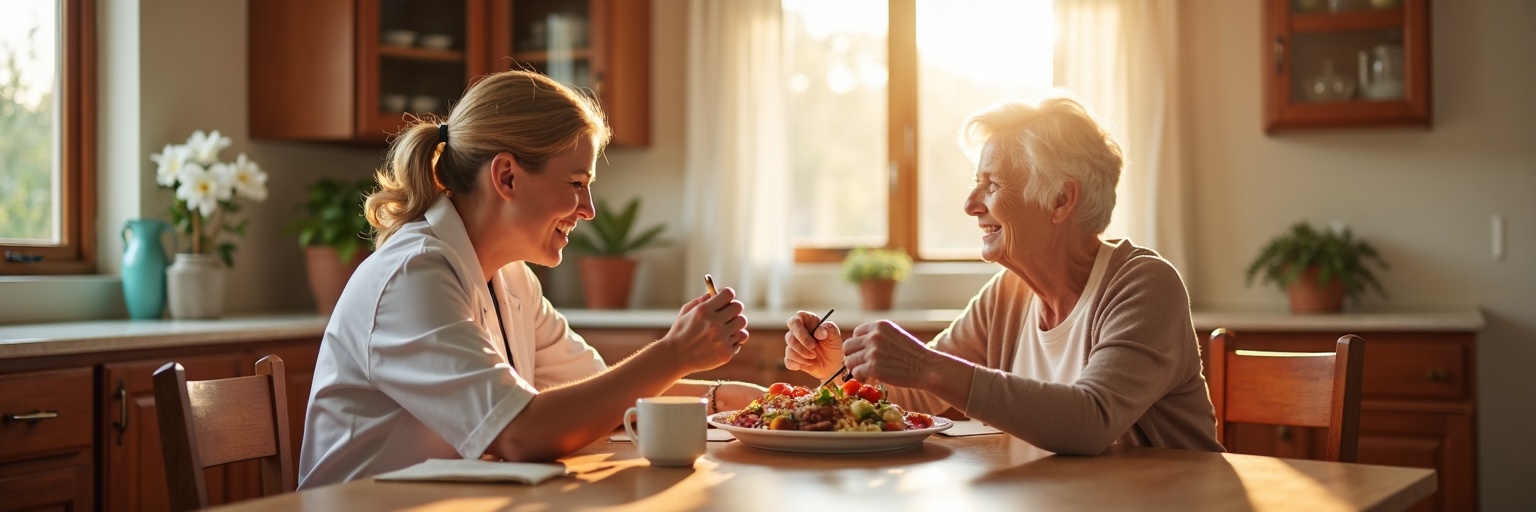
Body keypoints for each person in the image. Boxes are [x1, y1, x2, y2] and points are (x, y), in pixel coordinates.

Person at [299, 70, 762, 489]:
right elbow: (520, 433)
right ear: (507, 177)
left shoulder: (511, 278)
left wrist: (728, 399)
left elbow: (599, 394)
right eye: (576, 183)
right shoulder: (412, 276)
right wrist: (675, 352)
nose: (588, 209)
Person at [783, 93, 1222, 455]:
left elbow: (1091, 420)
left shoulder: (1143, 285)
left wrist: (925, 364)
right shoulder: (1008, 295)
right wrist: (839, 366)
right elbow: (916, 397)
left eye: (992, 184)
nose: (971, 204)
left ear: (1060, 201)